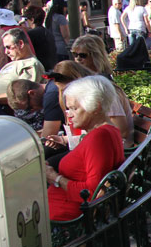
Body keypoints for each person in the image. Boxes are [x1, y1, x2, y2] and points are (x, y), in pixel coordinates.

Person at [43, 76, 125, 222]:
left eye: (74, 108)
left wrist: (55, 178)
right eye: (68, 109)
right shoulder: (106, 131)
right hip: (62, 214)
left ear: (96, 106)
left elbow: (92, 192)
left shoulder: (99, 137)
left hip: (67, 221)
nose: (69, 115)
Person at [70, 34, 136, 145]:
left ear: (95, 56)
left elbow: (121, 131)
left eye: (82, 55)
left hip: (113, 147)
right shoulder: (91, 82)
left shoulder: (102, 86)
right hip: (97, 142)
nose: (77, 59)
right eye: (75, 54)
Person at [0, 29, 44, 100]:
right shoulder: (11, 64)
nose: (6, 52)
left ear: (21, 44)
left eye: (8, 47)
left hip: (1, 107)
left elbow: (22, 95)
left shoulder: (31, 64)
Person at [26, 5, 58, 71]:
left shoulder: (30, 34)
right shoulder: (48, 32)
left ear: (32, 20)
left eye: (27, 19)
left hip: (39, 69)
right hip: (52, 66)